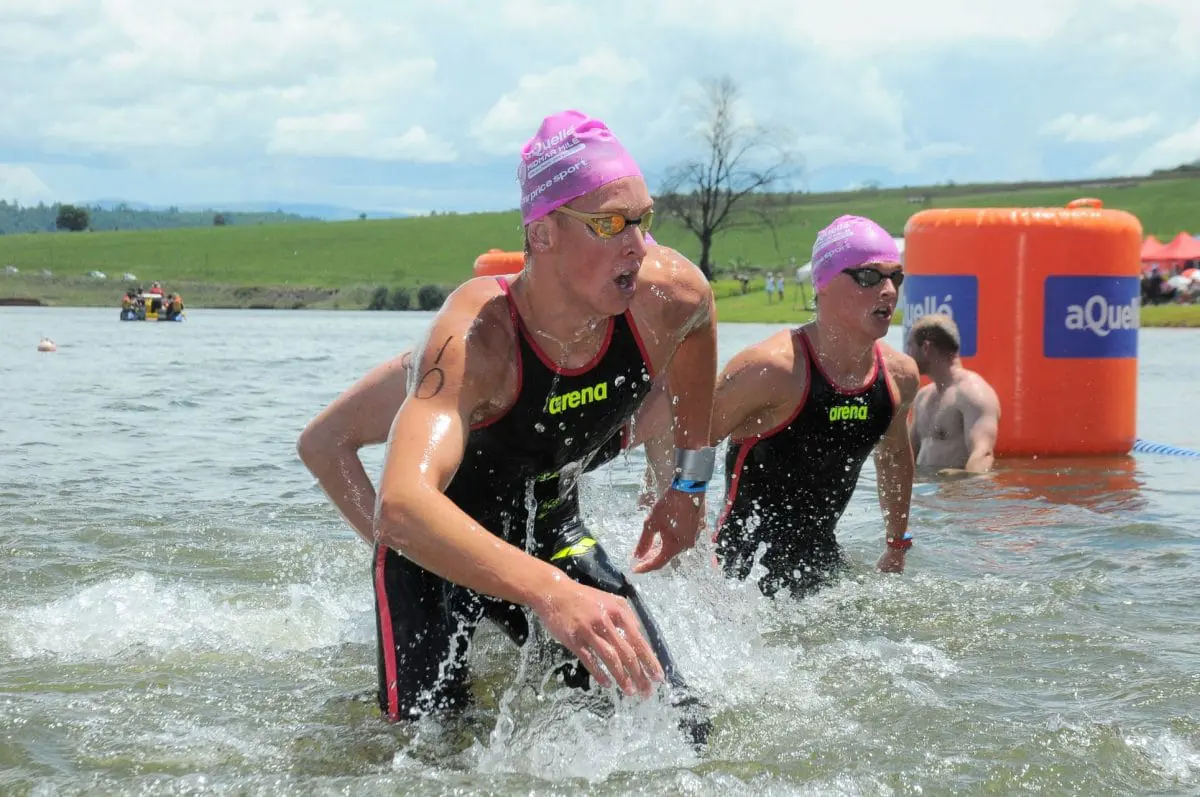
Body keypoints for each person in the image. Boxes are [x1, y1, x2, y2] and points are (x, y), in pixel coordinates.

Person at [297, 110, 718, 742]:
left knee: (679, 728)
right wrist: (531, 588)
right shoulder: (477, 342)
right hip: (437, 554)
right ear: (542, 236)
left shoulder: (669, 295)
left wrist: (687, 487)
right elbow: (401, 501)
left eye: (643, 220)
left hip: (554, 533)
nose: (637, 245)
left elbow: (701, 323)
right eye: (609, 224)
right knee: (434, 755)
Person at [644, 215, 920, 599]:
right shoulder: (772, 369)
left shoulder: (898, 376)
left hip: (821, 564)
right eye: (869, 277)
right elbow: (692, 438)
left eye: (896, 278)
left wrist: (896, 546)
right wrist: (675, 512)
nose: (888, 290)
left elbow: (894, 457)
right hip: (737, 575)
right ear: (823, 284)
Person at [906, 313, 1000, 473]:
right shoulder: (922, 397)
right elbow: (906, 456)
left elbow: (983, 455)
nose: (906, 354)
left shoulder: (973, 394)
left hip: (954, 494)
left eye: (910, 346)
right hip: (922, 495)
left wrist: (962, 481)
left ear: (926, 347)